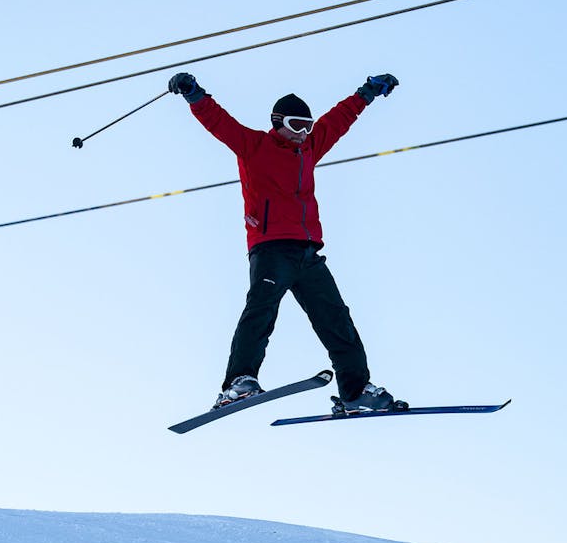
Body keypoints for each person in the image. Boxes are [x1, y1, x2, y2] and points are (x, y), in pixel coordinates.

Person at [168, 70, 406, 415]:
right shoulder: (254, 146)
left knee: (337, 320)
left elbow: (338, 120)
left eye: (307, 126)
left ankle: (354, 390)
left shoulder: (309, 148)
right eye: (296, 125)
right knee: (261, 312)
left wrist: (366, 92)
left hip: (308, 253)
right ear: (277, 122)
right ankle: (239, 383)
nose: (303, 133)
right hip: (271, 249)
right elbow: (219, 122)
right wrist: (194, 94)